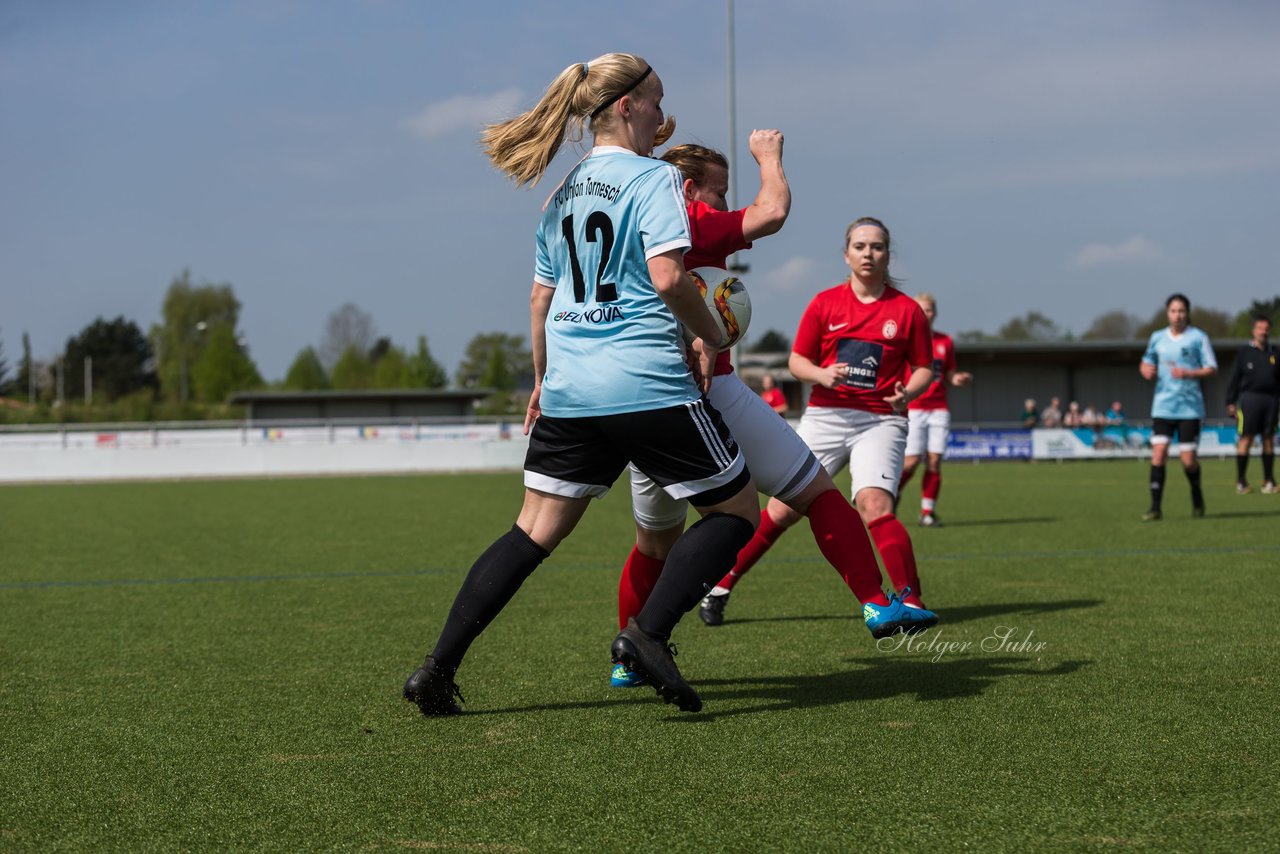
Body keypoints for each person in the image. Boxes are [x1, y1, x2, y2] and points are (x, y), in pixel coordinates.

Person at [402, 53, 761, 716]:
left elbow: (541, 299)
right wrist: (710, 332)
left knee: (532, 528)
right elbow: (665, 279)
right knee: (738, 513)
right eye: (655, 101)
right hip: (646, 384)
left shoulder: (560, 194)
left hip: (571, 389)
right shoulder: (653, 180)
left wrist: (541, 381)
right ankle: (647, 634)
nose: (661, 115)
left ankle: (436, 669)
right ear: (626, 106)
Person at [613, 138, 933, 689]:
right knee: (813, 493)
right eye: (719, 191)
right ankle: (876, 602)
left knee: (653, 544)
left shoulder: (623, 229)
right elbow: (773, 212)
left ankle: (627, 658)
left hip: (641, 399)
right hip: (712, 395)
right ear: (689, 190)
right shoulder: (689, 219)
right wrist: (768, 157)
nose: (723, 203)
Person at [695, 217, 939, 625]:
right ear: (846, 254)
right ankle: (721, 586)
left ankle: (910, 603)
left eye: (877, 246)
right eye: (860, 246)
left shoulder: (907, 310)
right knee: (781, 511)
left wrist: (909, 392)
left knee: (874, 504)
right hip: (827, 416)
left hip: (881, 420)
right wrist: (821, 374)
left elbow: (924, 368)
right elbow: (796, 362)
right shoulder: (825, 303)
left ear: (887, 255)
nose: (868, 253)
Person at [1139, 293, 1217, 521]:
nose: (1178, 315)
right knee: (1159, 454)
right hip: (1163, 406)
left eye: (1181, 311)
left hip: (1190, 408)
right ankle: (1155, 507)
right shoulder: (1157, 338)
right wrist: (1144, 369)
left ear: (1187, 313)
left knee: (1188, 460)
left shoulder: (1198, 337)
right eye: (1173, 311)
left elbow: (1211, 368)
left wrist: (1188, 373)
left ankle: (1196, 494)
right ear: (1167, 313)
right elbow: (1146, 361)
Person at [898, 293, 973, 527]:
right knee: (910, 463)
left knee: (934, 461)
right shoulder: (903, 340)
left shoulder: (945, 341)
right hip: (914, 407)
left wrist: (957, 378)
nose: (925, 314)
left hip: (939, 408)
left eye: (929, 309)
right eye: (920, 309)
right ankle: (888, 494)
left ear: (935, 313)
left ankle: (927, 513)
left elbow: (949, 373)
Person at [1225, 314, 1280, 494]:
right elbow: (1234, 378)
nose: (1263, 332)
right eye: (1260, 329)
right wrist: (1230, 402)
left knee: (1268, 439)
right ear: (1253, 331)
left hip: (1271, 400)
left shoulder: (1275, 352)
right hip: (1249, 399)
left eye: (1266, 329)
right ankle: (1241, 481)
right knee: (1246, 438)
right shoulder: (1244, 353)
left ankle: (1269, 481)